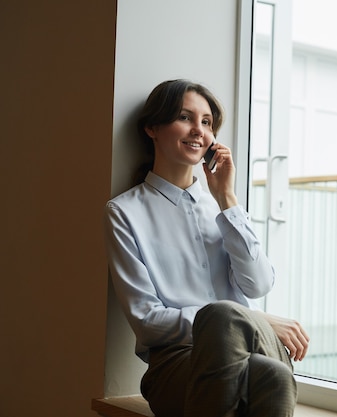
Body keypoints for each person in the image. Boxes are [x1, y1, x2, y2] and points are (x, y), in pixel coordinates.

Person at [103, 79, 310, 417]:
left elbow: (259, 284)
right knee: (264, 366)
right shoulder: (124, 213)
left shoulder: (222, 208)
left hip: (254, 349)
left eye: (207, 122)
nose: (198, 130)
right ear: (152, 128)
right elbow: (147, 321)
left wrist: (228, 200)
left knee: (267, 365)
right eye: (185, 117)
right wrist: (250, 319)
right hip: (175, 364)